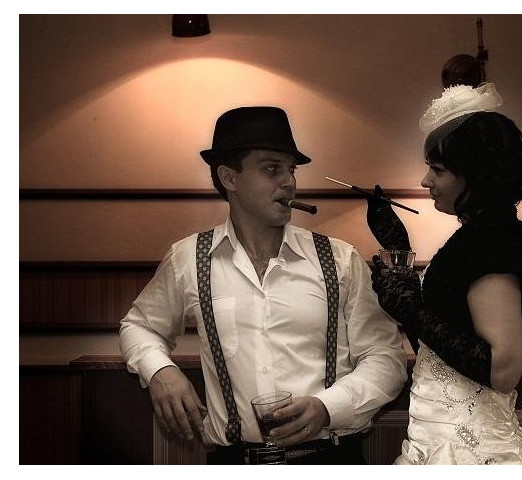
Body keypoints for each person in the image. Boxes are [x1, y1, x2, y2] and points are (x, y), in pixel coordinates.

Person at [119, 106, 407, 465]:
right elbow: (139, 326)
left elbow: (386, 358)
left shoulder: (340, 260)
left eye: (291, 169)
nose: (289, 182)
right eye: (272, 169)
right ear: (229, 178)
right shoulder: (188, 259)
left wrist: (326, 408)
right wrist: (161, 371)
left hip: (331, 459)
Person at [367, 83, 522, 465]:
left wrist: (410, 308)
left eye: (438, 170)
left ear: (475, 176)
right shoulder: (479, 235)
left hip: (468, 448)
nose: (425, 181)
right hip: (437, 434)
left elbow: (503, 370)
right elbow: (441, 343)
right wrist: (397, 247)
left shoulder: (492, 240)